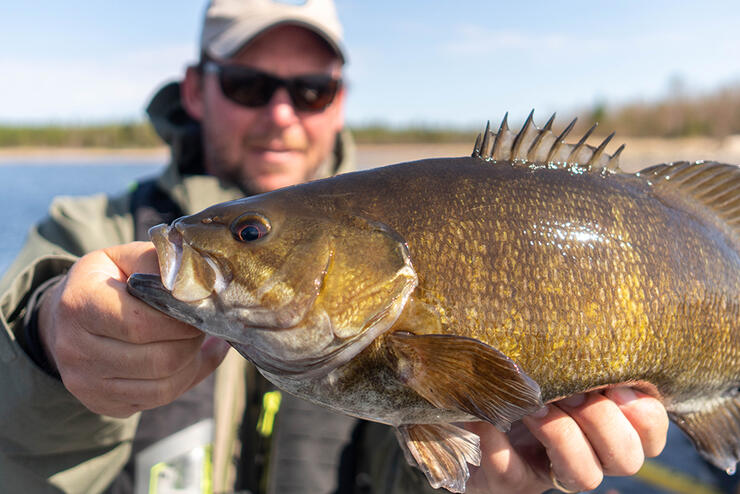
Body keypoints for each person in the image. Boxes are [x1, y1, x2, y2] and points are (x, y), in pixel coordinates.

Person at [0, 1, 669, 493]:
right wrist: (45, 345)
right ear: (196, 88)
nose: (281, 115)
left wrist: (489, 480)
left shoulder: (394, 221)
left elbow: (433, 449)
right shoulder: (89, 229)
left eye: (311, 90)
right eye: (249, 85)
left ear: (341, 101)